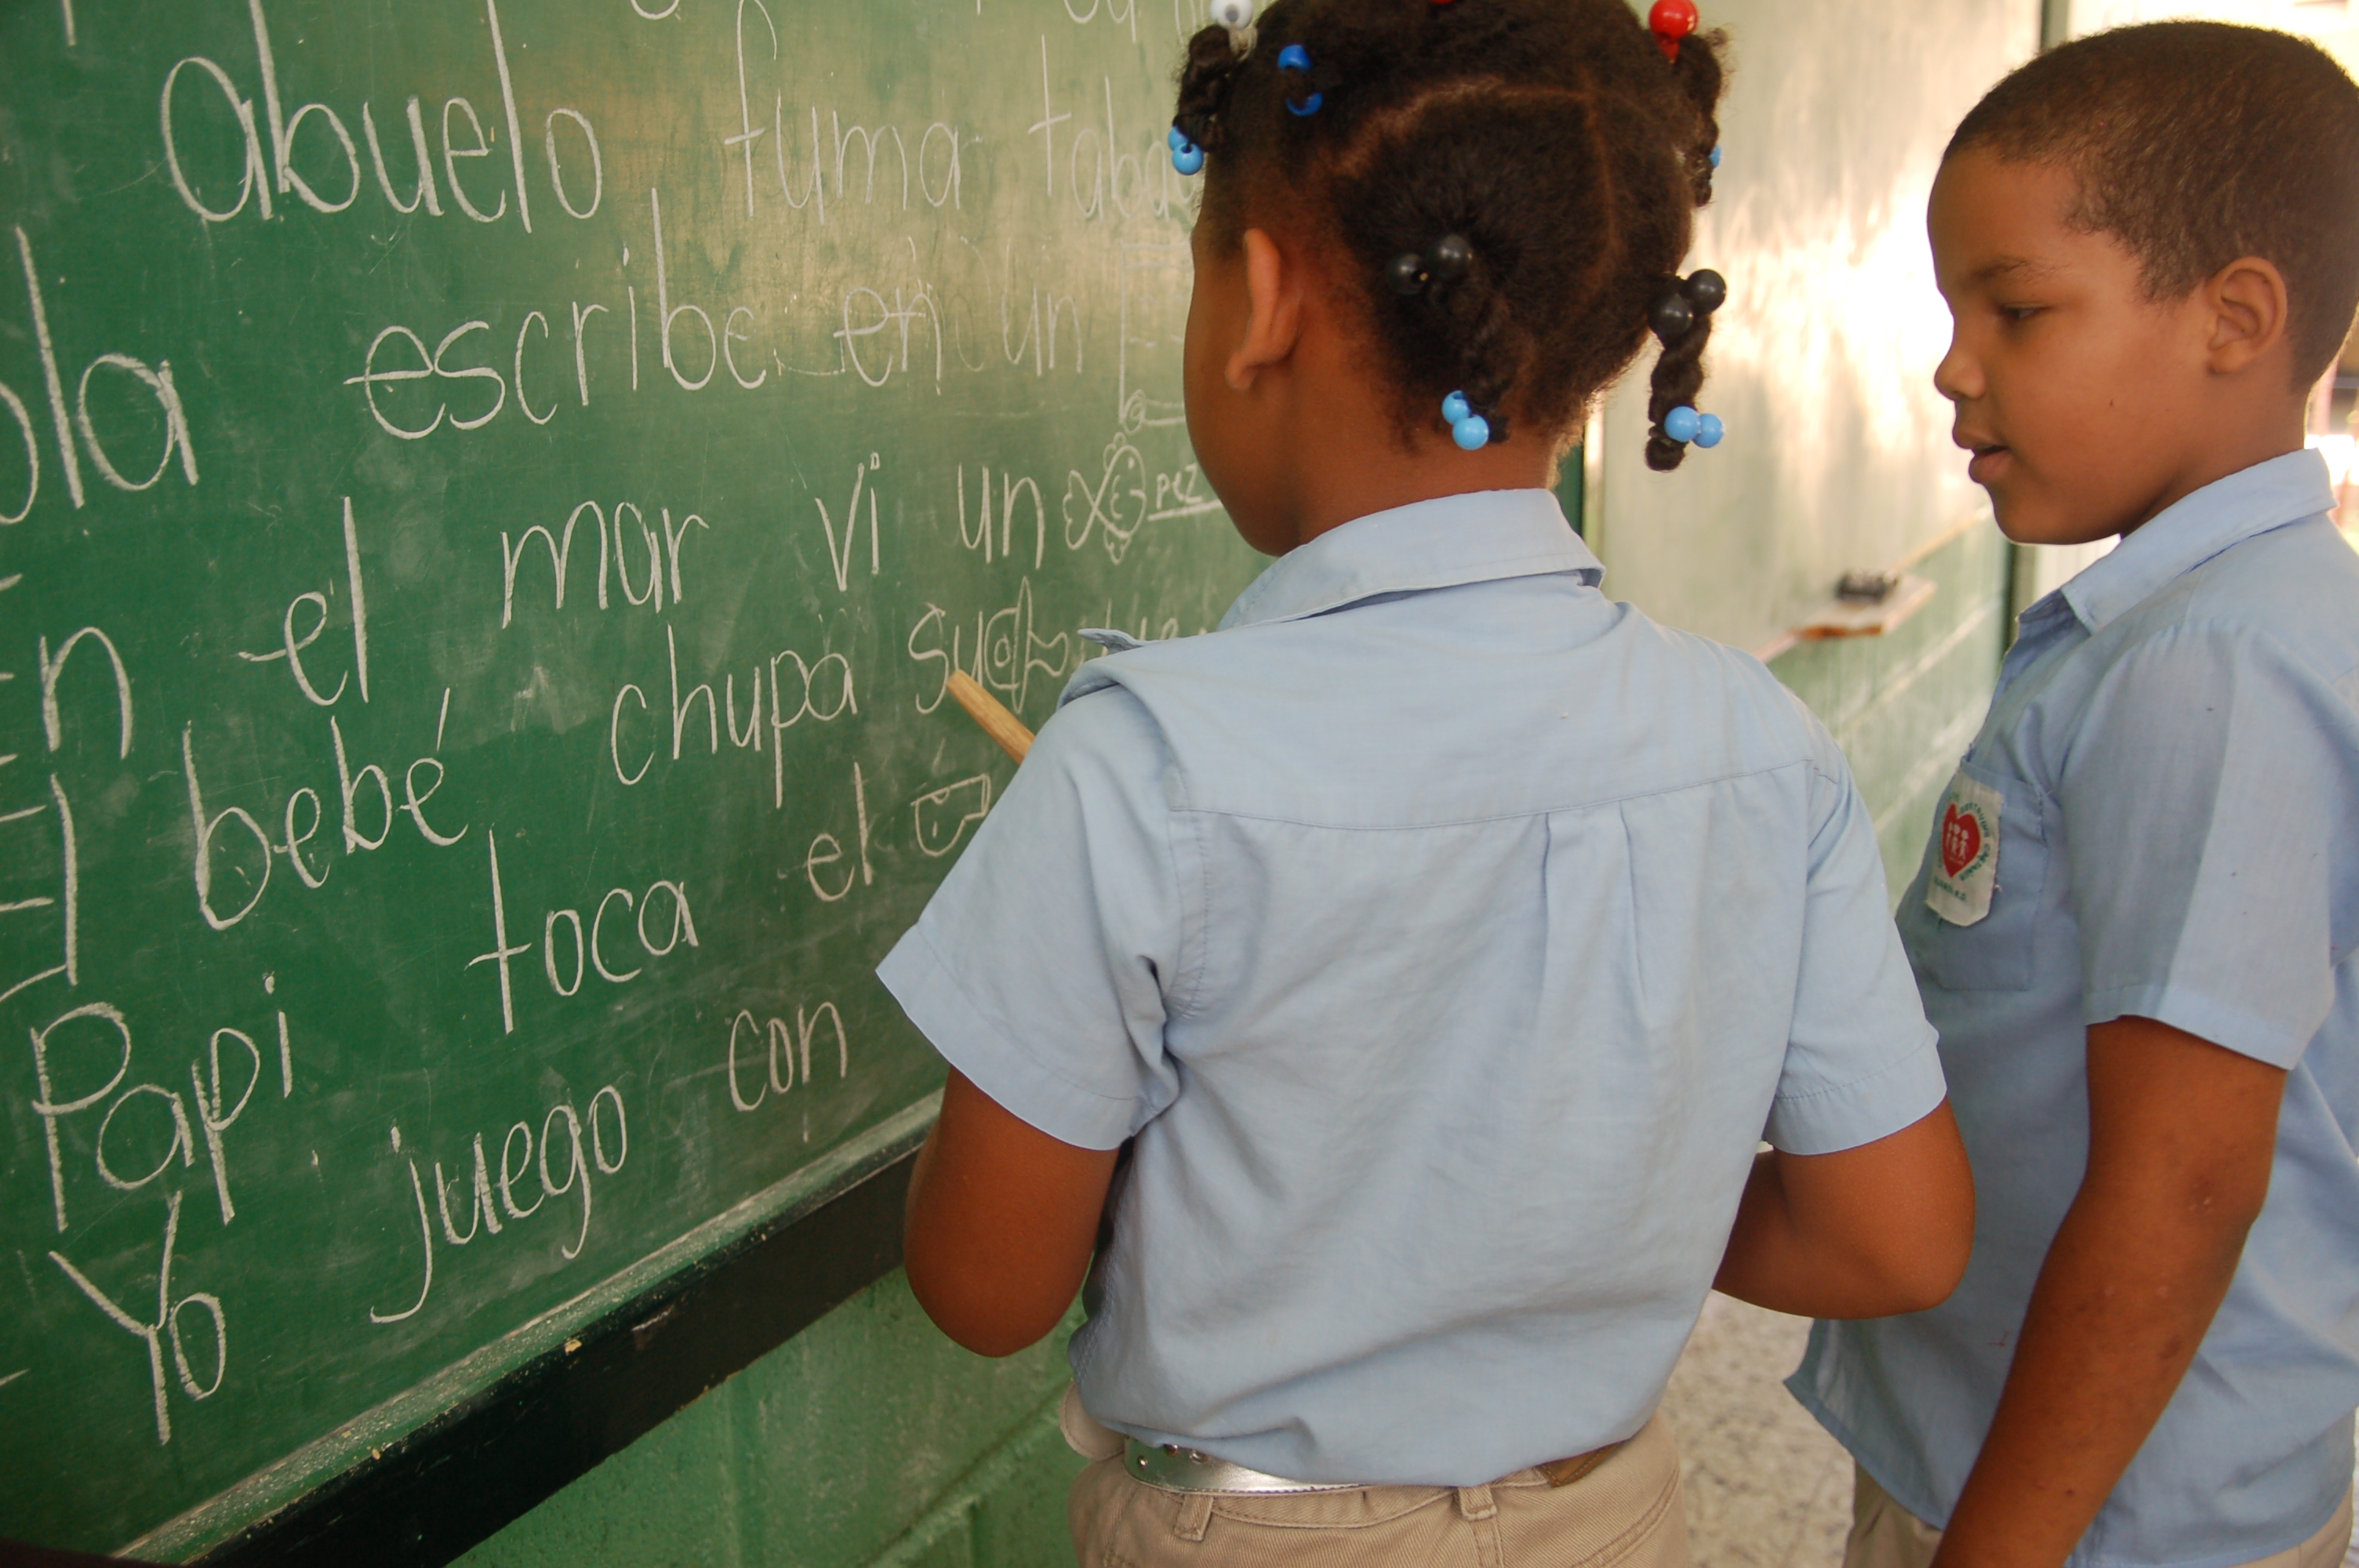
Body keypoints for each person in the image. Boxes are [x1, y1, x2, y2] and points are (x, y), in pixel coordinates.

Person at [881, 1, 1974, 1563]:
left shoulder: (1143, 768)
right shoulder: (1763, 745)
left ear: (1261, 300)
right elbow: (1896, 1237)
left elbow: (984, 1291)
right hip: (1614, 1516)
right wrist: (1576, 1212)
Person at [1787, 22, 2359, 1568]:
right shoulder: (2199, 622)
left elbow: (2181, 1184)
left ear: (2234, 319)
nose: (1953, 368)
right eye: (1952, 312)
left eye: (2017, 310)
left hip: (2096, 1521)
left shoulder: (2216, 664)